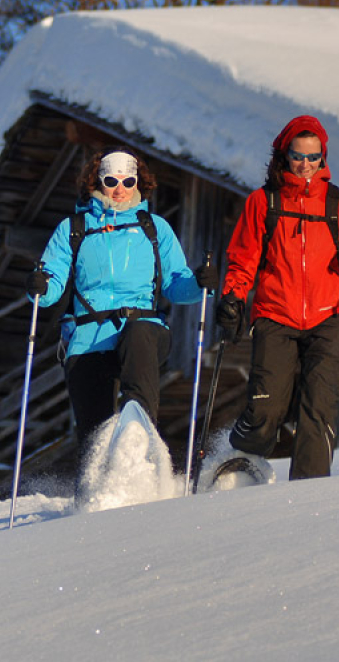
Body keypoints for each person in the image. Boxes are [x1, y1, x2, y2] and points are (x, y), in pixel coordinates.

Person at [214, 115, 339, 479]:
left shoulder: (338, 202)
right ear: (284, 156)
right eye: (299, 156)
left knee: (318, 410)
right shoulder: (263, 202)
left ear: (323, 158)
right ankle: (239, 472)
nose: (306, 165)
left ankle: (308, 497)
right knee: (266, 408)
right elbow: (243, 258)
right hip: (276, 314)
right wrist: (233, 297)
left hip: (328, 316)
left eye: (314, 158)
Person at [27, 147, 215, 447]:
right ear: (97, 181)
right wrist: (39, 286)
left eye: (128, 182)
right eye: (111, 180)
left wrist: (199, 283)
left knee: (138, 334)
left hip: (143, 328)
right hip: (89, 336)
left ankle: (138, 438)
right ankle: (98, 481)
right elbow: (51, 287)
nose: (120, 189)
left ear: (138, 183)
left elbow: (177, 284)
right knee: (94, 435)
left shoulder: (154, 228)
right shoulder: (73, 230)